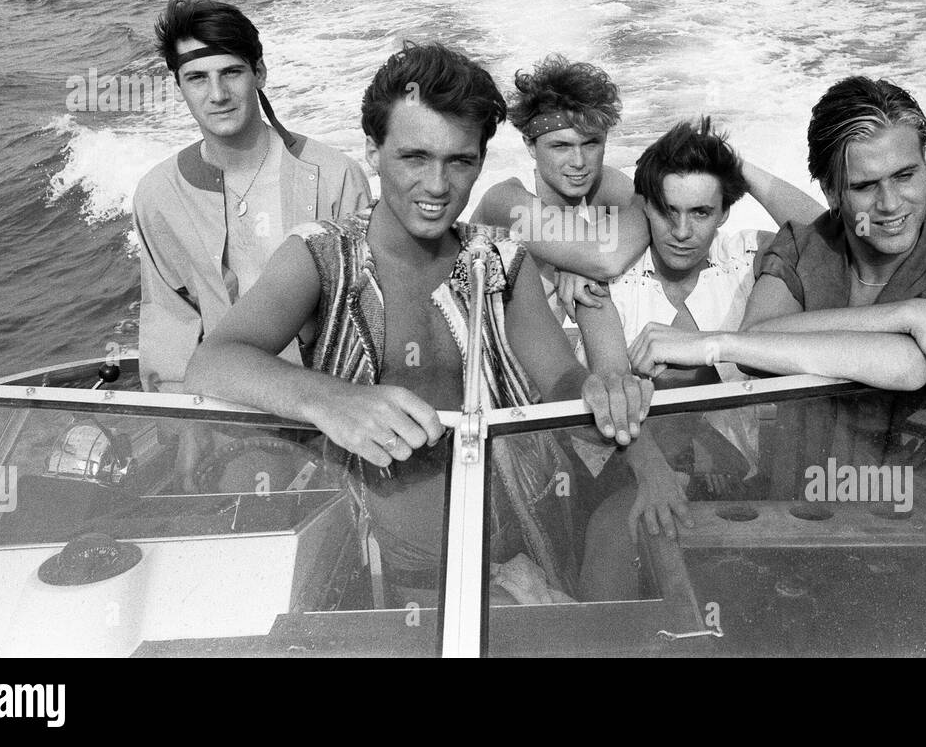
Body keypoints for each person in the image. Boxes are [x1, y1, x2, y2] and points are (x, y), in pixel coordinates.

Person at [184, 42, 651, 601]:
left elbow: (558, 380)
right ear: (372, 151)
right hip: (380, 576)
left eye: (460, 161)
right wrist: (331, 400)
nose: (437, 186)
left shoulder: (502, 261)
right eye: (414, 157)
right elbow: (213, 362)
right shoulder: (322, 258)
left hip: (518, 553)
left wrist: (600, 387)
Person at [628, 76, 926, 419]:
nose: (890, 203)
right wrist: (913, 315)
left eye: (905, 175)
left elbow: (909, 366)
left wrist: (718, 344)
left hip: (911, 494)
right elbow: (757, 339)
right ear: (831, 192)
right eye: (864, 186)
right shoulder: (801, 245)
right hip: (789, 489)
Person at [572, 117, 823, 599]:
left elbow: (826, 239)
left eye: (702, 212)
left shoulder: (747, 260)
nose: (682, 232)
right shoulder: (604, 280)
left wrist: (737, 168)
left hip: (742, 474)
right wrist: (655, 473)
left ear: (726, 211)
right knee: (612, 532)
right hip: (629, 463)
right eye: (668, 212)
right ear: (645, 206)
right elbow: (611, 384)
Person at [133, 0, 369, 395]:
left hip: (326, 402)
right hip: (226, 406)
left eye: (231, 72)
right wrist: (184, 431)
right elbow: (170, 329)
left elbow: (365, 316)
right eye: (197, 78)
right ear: (179, 88)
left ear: (259, 73)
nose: (218, 94)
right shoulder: (158, 194)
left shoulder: (335, 176)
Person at [470, 55, 651, 324]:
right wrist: (583, 259)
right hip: (477, 348)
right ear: (530, 146)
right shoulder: (505, 201)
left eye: (591, 143)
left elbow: (657, 217)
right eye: (561, 146)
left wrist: (581, 262)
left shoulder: (604, 184)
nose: (579, 162)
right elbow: (606, 258)